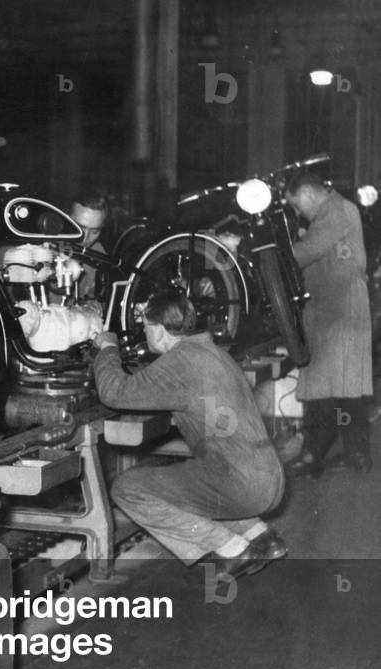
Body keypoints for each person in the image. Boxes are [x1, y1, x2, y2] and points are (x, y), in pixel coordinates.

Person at [92, 291, 287, 580]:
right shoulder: (212, 352)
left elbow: (114, 392)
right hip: (269, 479)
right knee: (202, 481)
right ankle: (261, 537)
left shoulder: (181, 362)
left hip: (242, 484)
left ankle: (230, 548)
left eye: (146, 327)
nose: (145, 334)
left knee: (126, 488)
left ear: (158, 330)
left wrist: (107, 350)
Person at [283, 173, 374, 477]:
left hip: (340, 311)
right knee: (345, 387)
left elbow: (304, 253)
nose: (298, 212)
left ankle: (313, 455)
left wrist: (273, 253)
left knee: (326, 386)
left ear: (307, 193)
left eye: (296, 205)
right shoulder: (338, 209)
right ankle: (356, 454)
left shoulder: (335, 211)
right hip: (337, 310)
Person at [69, 190, 109, 299]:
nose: (85, 238)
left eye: (94, 232)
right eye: (79, 228)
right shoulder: (45, 249)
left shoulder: (99, 253)